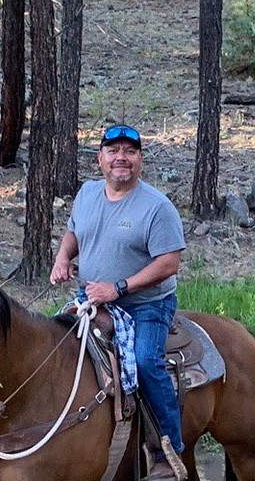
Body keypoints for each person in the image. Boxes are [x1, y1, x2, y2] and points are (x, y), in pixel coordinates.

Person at [51, 124, 187, 481]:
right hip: (92, 298)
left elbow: (169, 263)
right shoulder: (87, 193)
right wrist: (63, 258)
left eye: (129, 151)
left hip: (146, 304)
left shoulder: (157, 207)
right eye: (113, 151)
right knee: (53, 348)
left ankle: (167, 451)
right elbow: (74, 232)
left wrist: (120, 288)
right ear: (100, 159)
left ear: (140, 160)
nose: (121, 158)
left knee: (144, 361)